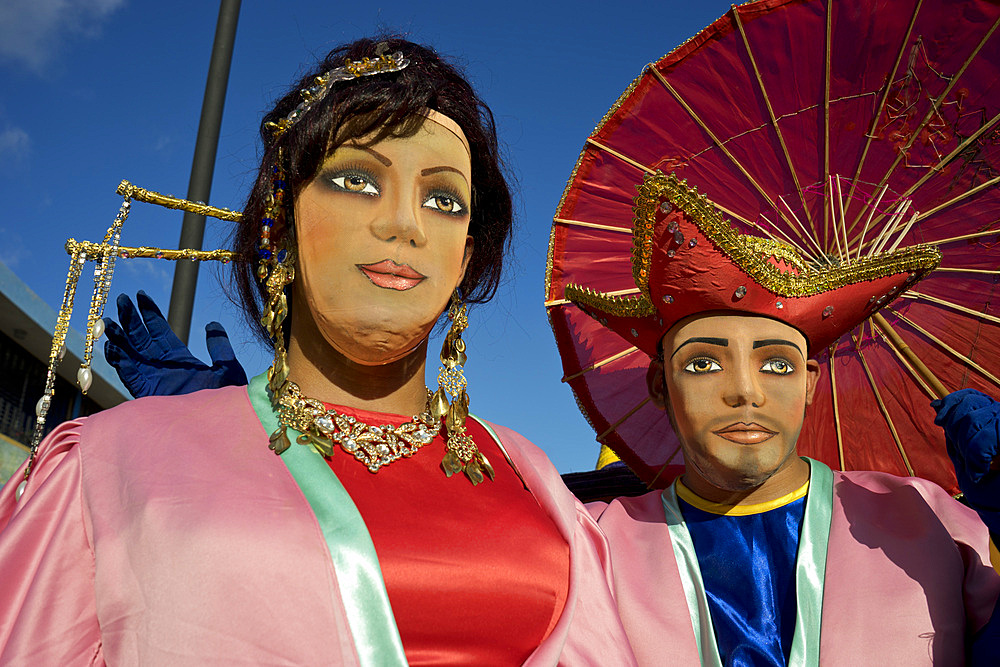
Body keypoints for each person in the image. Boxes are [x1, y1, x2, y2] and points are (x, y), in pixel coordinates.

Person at [0, 38, 636, 665]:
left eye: (443, 199)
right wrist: (194, 448)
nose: (405, 225)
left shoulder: (532, 479)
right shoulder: (110, 465)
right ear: (282, 216)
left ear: (467, 256)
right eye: (357, 180)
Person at [564, 172, 1000, 665]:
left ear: (809, 382)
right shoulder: (590, 546)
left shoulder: (931, 521)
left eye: (776, 364)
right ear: (661, 386)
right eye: (703, 363)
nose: (746, 392)